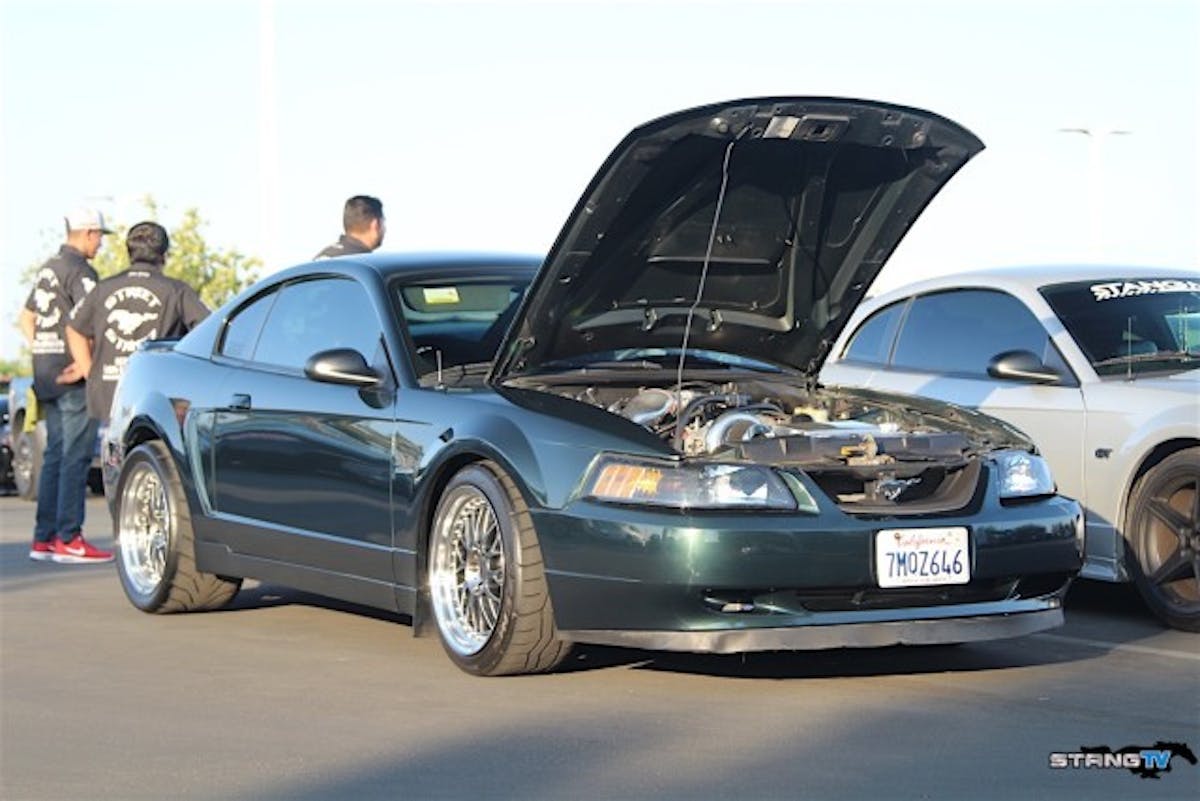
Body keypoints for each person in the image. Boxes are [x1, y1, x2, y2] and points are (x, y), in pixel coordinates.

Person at [19, 208, 109, 563]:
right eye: (99, 235)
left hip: (44, 371)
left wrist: (43, 350)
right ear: (87, 232)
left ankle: (44, 538)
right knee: (75, 455)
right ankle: (69, 536)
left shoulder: (48, 269)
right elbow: (91, 322)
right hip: (71, 374)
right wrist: (85, 364)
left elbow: (26, 318)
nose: (100, 243)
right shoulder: (81, 272)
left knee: (55, 454)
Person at [66, 220, 210, 430]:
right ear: (164, 255)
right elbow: (207, 330)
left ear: (129, 251)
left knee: (104, 460)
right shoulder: (176, 290)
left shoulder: (102, 289)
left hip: (106, 395)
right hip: (154, 395)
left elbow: (75, 329)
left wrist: (92, 374)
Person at [314, 195, 386, 258]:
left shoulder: (321, 257)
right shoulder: (364, 263)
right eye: (384, 222)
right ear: (375, 225)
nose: (385, 229)